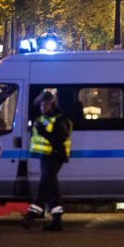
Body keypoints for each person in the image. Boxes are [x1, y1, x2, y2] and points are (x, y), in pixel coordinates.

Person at [22, 91, 73, 231]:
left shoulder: (59, 120)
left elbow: (59, 139)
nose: (42, 107)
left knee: (44, 187)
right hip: (45, 157)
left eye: (45, 104)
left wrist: (43, 131)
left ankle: (31, 215)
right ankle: (57, 221)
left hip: (54, 157)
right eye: (41, 104)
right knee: (52, 189)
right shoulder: (43, 119)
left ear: (53, 104)